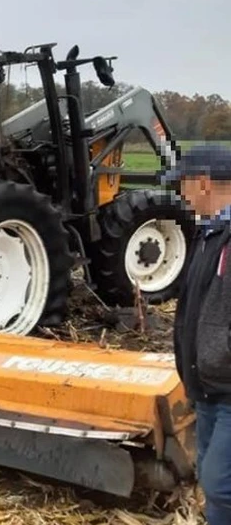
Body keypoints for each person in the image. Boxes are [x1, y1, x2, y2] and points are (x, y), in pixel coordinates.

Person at [167, 143, 231, 524]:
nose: (183, 195)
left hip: (227, 384)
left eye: (184, 186)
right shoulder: (211, 234)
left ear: (203, 182)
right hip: (207, 384)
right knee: (212, 477)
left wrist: (219, 354)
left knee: (221, 482)